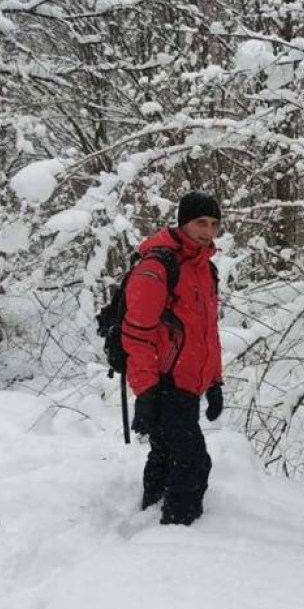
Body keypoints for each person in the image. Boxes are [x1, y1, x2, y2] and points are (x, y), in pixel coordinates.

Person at [122, 191, 224, 526]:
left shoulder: (205, 269)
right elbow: (137, 334)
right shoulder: (158, 266)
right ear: (183, 222)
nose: (207, 231)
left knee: (165, 454)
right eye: (200, 222)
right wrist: (146, 391)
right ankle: (176, 534)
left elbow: (208, 333)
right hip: (166, 382)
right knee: (194, 464)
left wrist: (215, 381)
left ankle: (150, 516)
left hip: (190, 383)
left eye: (213, 223)